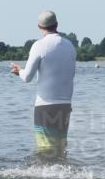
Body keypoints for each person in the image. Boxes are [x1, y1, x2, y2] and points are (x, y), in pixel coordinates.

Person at [10, 10, 76, 155]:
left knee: (45, 150)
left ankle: (46, 177)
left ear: (39, 26)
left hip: (46, 106)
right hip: (65, 105)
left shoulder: (39, 45)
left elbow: (27, 77)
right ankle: (64, 175)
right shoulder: (69, 45)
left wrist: (18, 71)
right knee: (60, 148)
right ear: (57, 24)